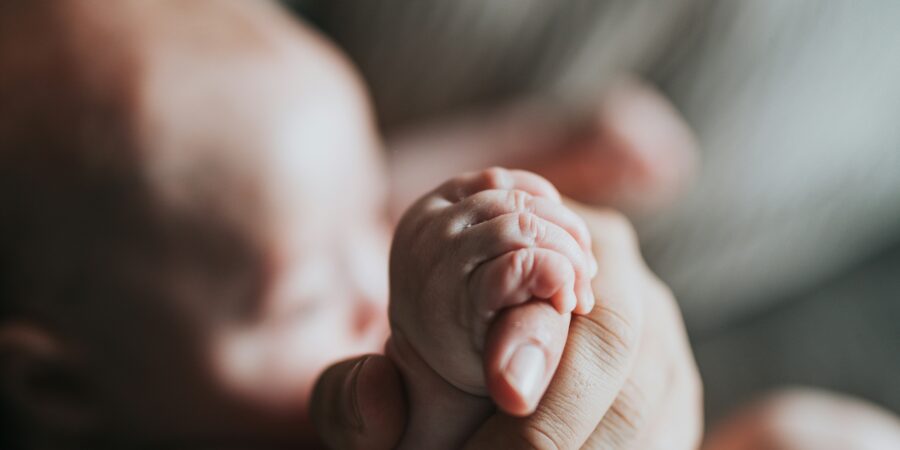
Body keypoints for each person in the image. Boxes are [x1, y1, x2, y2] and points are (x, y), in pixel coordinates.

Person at [0, 1, 702, 449]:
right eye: (307, 299)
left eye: (375, 213)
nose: (380, 279)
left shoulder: (277, 227)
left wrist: (554, 144)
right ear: (56, 389)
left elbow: (356, 189)